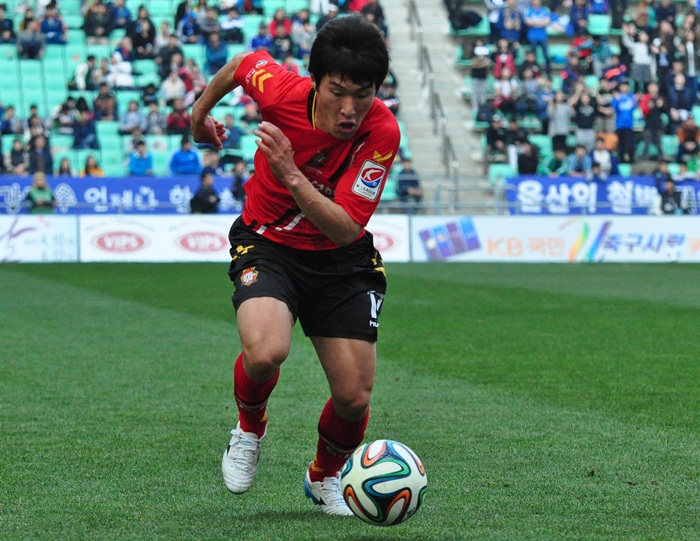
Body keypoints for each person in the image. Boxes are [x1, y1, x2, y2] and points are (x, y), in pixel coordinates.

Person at [190, 13, 399, 516]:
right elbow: (240, 64)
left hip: (341, 259)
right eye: (337, 92)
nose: (349, 109)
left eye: (363, 94)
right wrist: (198, 116)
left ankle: (324, 477)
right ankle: (249, 429)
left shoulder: (382, 132)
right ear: (315, 80)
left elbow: (345, 228)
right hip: (268, 244)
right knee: (266, 353)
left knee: (354, 397)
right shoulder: (281, 90)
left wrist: (289, 171)